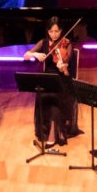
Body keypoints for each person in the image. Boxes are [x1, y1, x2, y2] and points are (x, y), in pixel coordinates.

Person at [23, 17, 79, 148]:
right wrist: (35, 55)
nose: (54, 34)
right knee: (43, 98)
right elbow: (26, 55)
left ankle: (54, 135)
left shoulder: (67, 43)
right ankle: (45, 132)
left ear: (61, 31)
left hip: (62, 80)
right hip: (47, 78)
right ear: (47, 31)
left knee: (55, 101)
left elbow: (67, 65)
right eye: (51, 31)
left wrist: (62, 65)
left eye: (57, 31)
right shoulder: (43, 42)